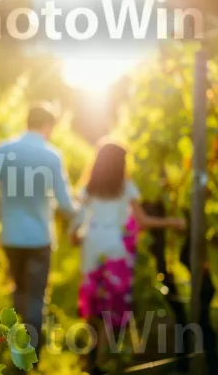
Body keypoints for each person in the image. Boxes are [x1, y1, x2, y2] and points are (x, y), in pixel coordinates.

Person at [70, 141, 185, 373]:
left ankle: (89, 355)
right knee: (111, 305)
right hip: (115, 250)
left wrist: (74, 236)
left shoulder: (88, 188)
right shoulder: (126, 187)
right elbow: (142, 221)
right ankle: (103, 357)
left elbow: (77, 224)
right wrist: (171, 222)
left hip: (91, 248)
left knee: (93, 302)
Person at [0, 103, 75, 352]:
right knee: (36, 296)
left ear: (27, 122)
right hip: (40, 238)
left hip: (11, 236)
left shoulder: (3, 149)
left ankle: (17, 340)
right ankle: (32, 354)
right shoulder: (52, 156)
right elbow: (64, 203)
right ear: (48, 126)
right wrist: (82, 214)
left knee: (19, 286)